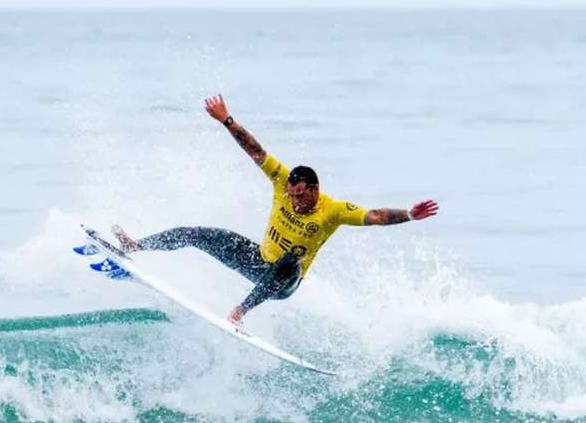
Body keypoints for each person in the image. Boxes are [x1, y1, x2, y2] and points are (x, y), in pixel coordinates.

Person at [113, 94, 439, 327]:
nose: (295, 201)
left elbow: (376, 216)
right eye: (292, 194)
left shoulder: (333, 211)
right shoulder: (282, 181)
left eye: (301, 196)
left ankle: (240, 312)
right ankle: (137, 246)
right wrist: (227, 119)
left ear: (314, 190)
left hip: (285, 282)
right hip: (258, 261)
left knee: (289, 261)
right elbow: (255, 150)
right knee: (200, 234)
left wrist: (409, 215)